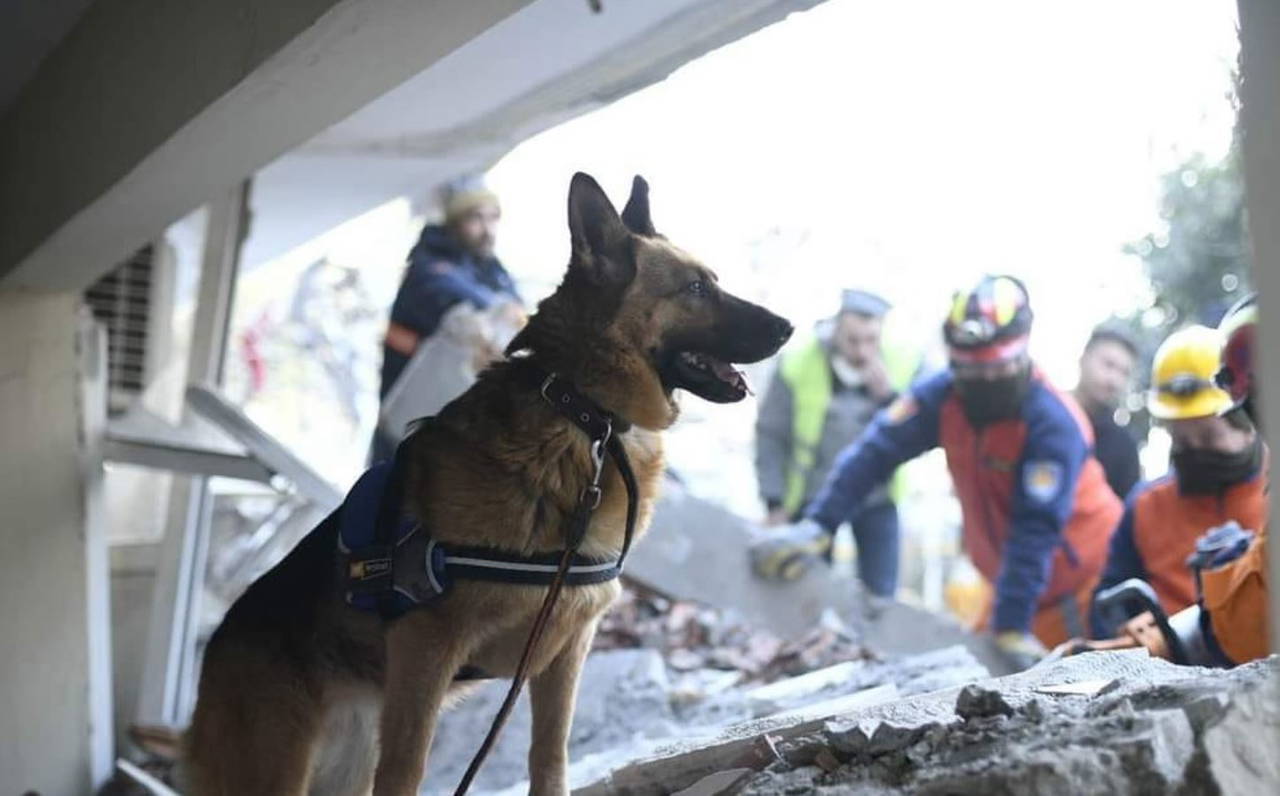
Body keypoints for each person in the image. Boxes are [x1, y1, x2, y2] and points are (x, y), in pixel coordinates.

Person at [751, 275, 1123, 669]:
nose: (981, 383)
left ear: (1020, 354)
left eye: (993, 371)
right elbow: (875, 451)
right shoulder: (945, 396)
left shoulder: (1053, 423)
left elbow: (1036, 530)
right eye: (970, 371)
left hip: (1087, 584)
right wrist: (819, 524)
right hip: (1016, 586)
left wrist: (1011, 623)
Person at [1089, 325, 1268, 637]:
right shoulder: (1146, 505)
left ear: (1246, 419)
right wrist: (1126, 631)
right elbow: (1107, 601)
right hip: (1172, 671)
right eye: (1181, 437)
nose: (1195, 447)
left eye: (1208, 434)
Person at [754, 289, 918, 599]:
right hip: (814, 495)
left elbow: (920, 431)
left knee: (879, 594)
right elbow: (770, 435)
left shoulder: (904, 362)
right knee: (806, 587)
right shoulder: (799, 364)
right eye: (853, 341)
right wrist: (773, 502)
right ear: (837, 330)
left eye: (870, 341)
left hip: (878, 498)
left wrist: (889, 398)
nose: (861, 352)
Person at [372, 174, 523, 462]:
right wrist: (499, 313)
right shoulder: (427, 268)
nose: (487, 229)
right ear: (454, 222)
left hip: (453, 423)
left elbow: (515, 313)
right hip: (409, 419)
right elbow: (458, 304)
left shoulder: (492, 270)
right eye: (476, 219)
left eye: (493, 218)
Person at [1074, 324, 1141, 500]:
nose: (1114, 381)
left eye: (1124, 373)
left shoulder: (1124, 447)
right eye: (1108, 365)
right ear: (1083, 359)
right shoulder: (1043, 417)